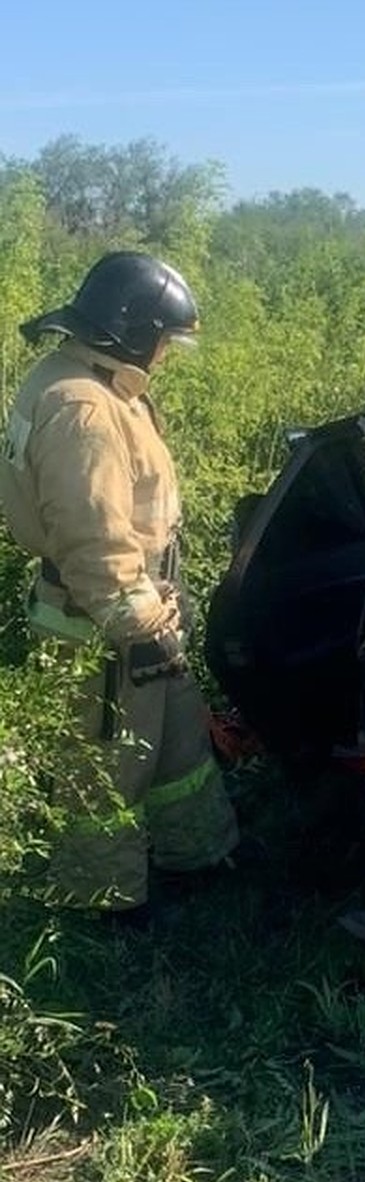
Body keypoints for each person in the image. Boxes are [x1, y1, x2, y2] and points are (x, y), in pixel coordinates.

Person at [0, 251, 240, 913]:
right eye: (165, 339)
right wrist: (137, 624)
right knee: (105, 772)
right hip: (105, 625)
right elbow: (92, 537)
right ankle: (101, 903)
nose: (167, 353)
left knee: (173, 748)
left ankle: (194, 856)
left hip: (138, 609)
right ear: (132, 330)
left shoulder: (89, 380)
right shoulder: (85, 411)